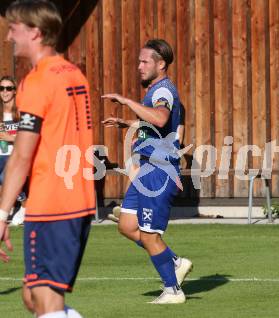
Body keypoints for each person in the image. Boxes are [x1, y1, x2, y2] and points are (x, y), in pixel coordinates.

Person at [0, 1, 96, 317]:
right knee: (33, 297)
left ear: (36, 32)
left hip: (52, 204)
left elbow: (22, 155)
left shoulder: (38, 81)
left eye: (14, 29)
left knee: (46, 301)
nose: (9, 36)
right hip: (77, 201)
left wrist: (1, 215)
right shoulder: (73, 73)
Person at [102, 38, 192, 304]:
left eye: (145, 62)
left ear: (161, 64)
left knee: (151, 235)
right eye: (139, 61)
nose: (139, 66)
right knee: (128, 225)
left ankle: (172, 290)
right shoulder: (156, 90)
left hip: (158, 171)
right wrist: (125, 122)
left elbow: (161, 118)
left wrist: (125, 100)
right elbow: (157, 125)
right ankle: (174, 261)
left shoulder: (163, 91)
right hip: (147, 171)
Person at [0, 75, 27, 226]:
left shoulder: (21, 112)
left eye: (8, 88)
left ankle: (24, 205)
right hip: (1, 154)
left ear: (14, 91)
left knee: (6, 176)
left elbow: (29, 136)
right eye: (2, 88)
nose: (5, 92)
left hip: (17, 156)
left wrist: (9, 137)